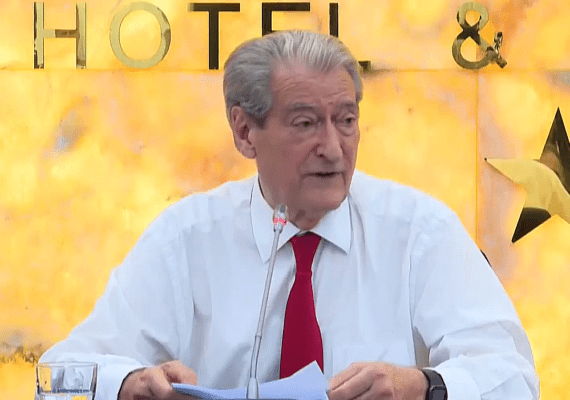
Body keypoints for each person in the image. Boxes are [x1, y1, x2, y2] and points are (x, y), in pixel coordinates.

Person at [39, 30, 539, 400]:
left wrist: (425, 386)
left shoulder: (419, 232)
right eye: (305, 124)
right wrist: (126, 382)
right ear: (244, 132)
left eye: (346, 121)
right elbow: (56, 378)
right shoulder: (186, 238)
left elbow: (515, 379)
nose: (333, 148)